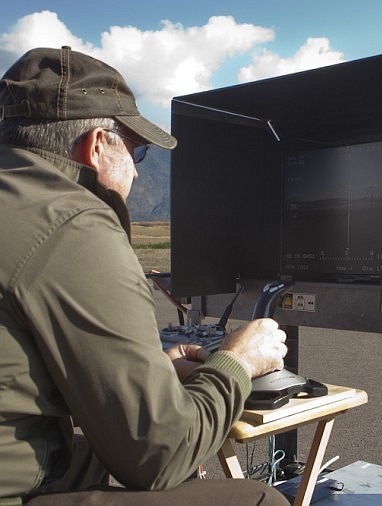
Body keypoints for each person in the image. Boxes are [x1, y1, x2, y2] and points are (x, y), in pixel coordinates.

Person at [0, 46, 289, 505]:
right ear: (97, 146)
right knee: (260, 501)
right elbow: (160, 456)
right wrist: (237, 361)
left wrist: (144, 372)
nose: (136, 172)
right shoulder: (73, 225)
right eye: (135, 152)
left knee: (91, 450)